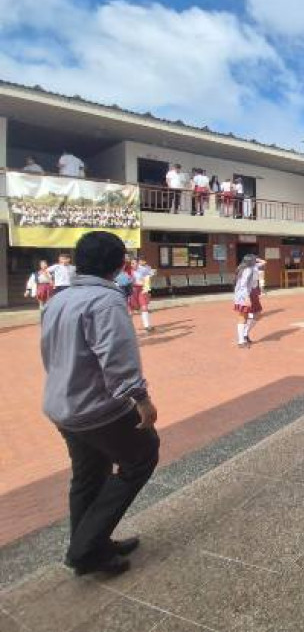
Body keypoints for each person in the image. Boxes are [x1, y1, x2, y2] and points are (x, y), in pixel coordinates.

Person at [41, 231, 160, 576]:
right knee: (141, 456)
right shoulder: (106, 301)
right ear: (120, 265)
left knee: (89, 477)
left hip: (63, 406)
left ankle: (92, 546)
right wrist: (141, 398)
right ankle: (85, 548)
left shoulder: (58, 300)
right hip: (98, 409)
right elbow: (118, 360)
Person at [233, 254, 260, 347]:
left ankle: (245, 333)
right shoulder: (247, 270)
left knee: (257, 313)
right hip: (244, 295)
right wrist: (246, 298)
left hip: (252, 293)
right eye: (254, 259)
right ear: (251, 261)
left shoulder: (252, 267)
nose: (256, 260)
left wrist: (257, 260)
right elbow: (243, 285)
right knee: (243, 317)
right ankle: (241, 341)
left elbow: (263, 262)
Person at [128, 258, 156, 333]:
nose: (133, 265)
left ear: (138, 263)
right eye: (131, 263)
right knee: (130, 310)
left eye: (134, 263)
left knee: (144, 307)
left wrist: (150, 271)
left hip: (141, 289)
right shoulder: (128, 271)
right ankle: (128, 327)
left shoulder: (143, 269)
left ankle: (147, 326)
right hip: (132, 290)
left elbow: (152, 273)